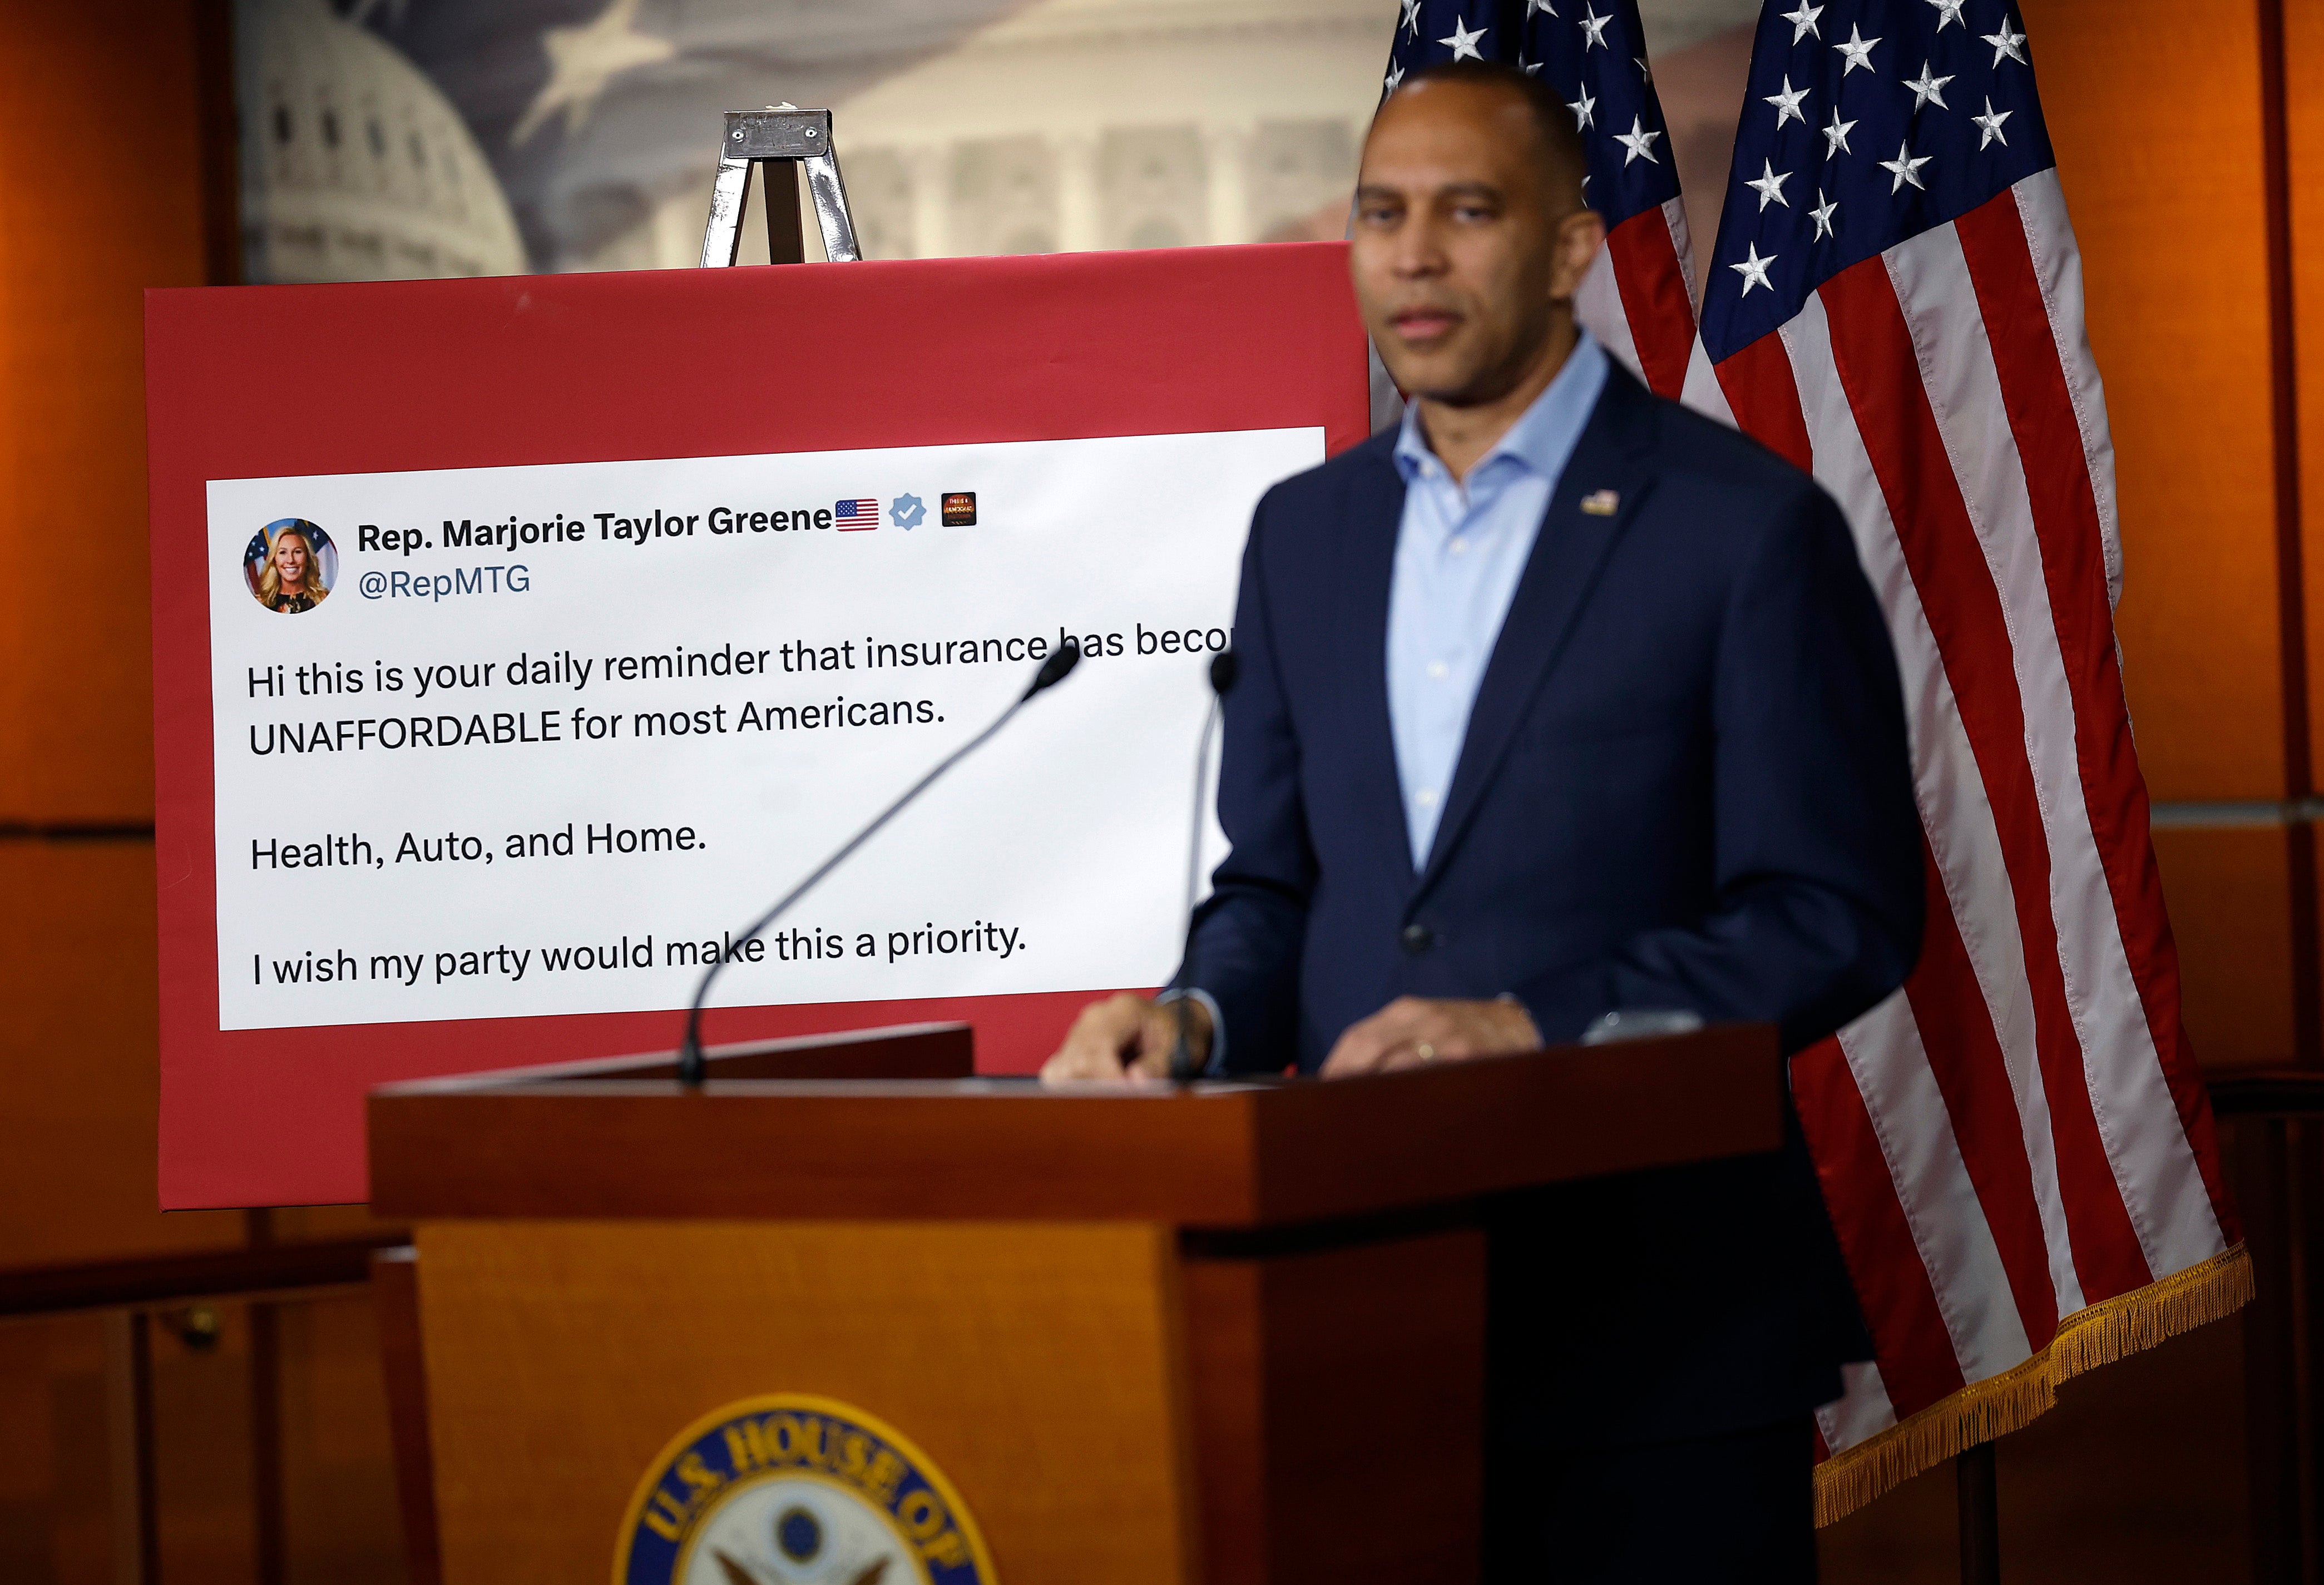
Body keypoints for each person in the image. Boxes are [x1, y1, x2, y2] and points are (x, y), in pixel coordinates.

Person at [1041, 61, 1924, 1582]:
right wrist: (1188, 1018)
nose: (1416, 255)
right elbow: (1275, 886)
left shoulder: (1739, 528)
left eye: (1467, 211)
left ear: (1572, 249)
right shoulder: (1303, 535)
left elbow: (1833, 913)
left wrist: (1529, 1022)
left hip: (1660, 1346)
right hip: (1359, 1326)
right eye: (1383, 214)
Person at [255, 523, 329, 612]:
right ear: (274, 560)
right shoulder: (260, 603)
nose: (291, 560)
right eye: (283, 553)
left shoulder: (324, 599)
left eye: (297, 552)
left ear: (308, 559)